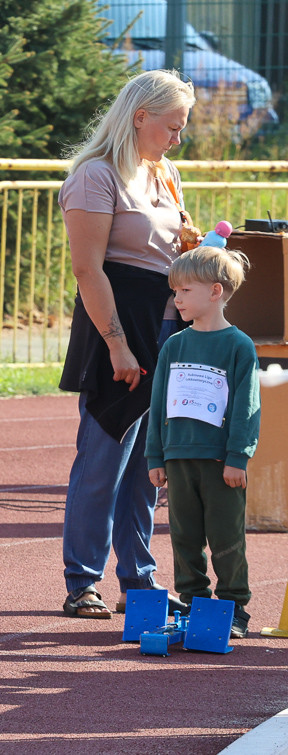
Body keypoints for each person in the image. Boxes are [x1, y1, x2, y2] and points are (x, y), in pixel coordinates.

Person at [58, 70, 196, 619]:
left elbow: (171, 244)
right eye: (172, 126)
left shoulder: (165, 172)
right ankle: (82, 580)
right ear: (140, 117)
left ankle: (138, 576)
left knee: (147, 464)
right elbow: (88, 270)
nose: (177, 138)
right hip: (117, 322)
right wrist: (117, 346)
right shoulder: (96, 176)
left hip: (167, 325)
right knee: (103, 457)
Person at [145, 245, 260, 638]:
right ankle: (194, 604)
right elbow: (159, 403)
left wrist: (237, 457)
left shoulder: (239, 346)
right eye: (174, 291)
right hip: (177, 460)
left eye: (185, 291)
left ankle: (234, 606)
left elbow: (247, 407)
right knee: (184, 537)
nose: (176, 299)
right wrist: (154, 455)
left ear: (215, 292)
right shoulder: (174, 346)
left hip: (220, 463)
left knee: (226, 537)